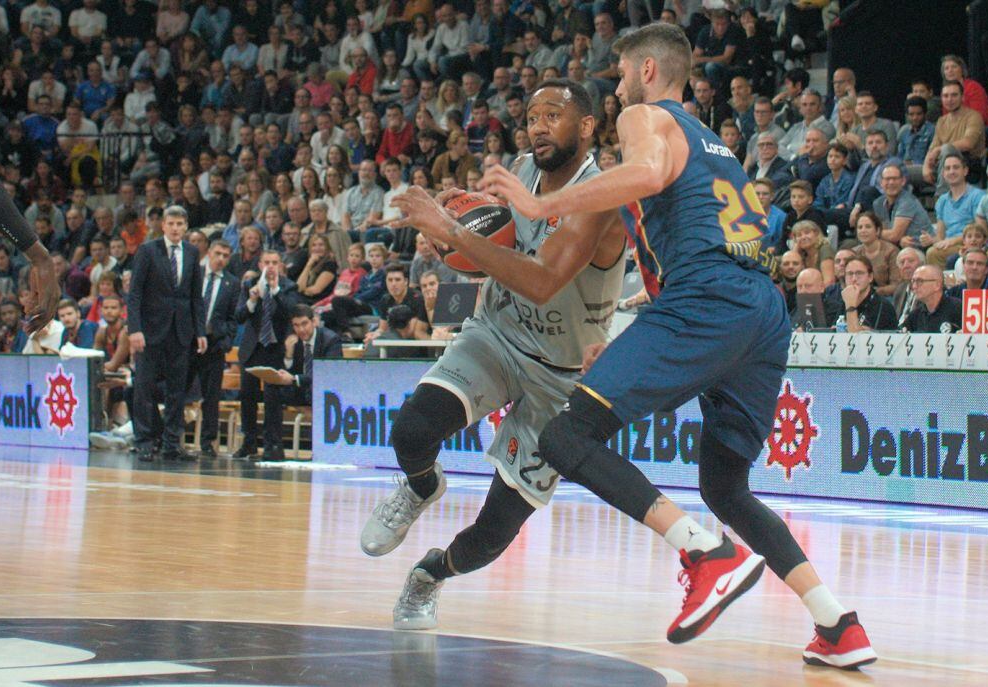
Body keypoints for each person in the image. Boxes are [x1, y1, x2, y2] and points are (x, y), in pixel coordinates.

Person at [480, 26, 875, 667]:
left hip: (707, 300)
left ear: (645, 70)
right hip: (759, 310)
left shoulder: (645, 117)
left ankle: (704, 551)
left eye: (619, 73)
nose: (614, 88)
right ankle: (838, 624)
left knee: (564, 437)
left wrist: (537, 202)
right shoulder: (713, 142)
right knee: (726, 487)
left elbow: (644, 173)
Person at [361, 80, 628, 633]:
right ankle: (419, 486)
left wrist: (451, 228)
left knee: (491, 537)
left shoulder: (603, 196)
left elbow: (542, 280)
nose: (536, 127)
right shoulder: (520, 169)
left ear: (586, 127)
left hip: (561, 375)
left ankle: (429, 575)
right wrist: (454, 246)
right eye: (531, 116)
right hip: (497, 335)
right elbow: (496, 247)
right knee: (412, 430)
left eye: (553, 115)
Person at [126, 206, 206, 462]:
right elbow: (135, 293)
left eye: (180, 224)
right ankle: (145, 441)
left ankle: (172, 442)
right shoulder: (148, 251)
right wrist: (135, 329)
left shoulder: (193, 253)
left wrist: (200, 331)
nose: (175, 228)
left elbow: (195, 296)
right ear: (163, 225)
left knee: (177, 390)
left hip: (181, 331)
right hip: (150, 331)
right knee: (144, 387)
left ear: (186, 227)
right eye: (170, 223)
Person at [233, 249, 298, 460]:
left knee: (273, 398)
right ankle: (249, 442)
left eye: (275, 262)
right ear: (259, 265)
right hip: (253, 348)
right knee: (247, 397)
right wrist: (252, 300)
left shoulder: (288, 286)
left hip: (275, 348)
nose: (271, 266)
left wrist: (276, 290)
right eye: (266, 262)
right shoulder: (248, 285)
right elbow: (239, 316)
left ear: (280, 265)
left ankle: (273, 444)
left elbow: (292, 312)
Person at [263, 304, 342, 460]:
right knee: (271, 387)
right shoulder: (294, 342)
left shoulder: (330, 339)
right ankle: (274, 448)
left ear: (314, 322)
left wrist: (294, 379)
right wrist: (288, 356)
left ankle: (321, 452)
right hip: (301, 391)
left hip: (323, 392)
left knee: (318, 390)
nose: (301, 330)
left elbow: (328, 375)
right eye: (296, 325)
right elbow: (289, 372)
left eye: (304, 324)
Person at [187, 239, 239, 458]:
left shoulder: (232, 283)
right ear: (208, 253)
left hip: (214, 344)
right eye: (217, 254)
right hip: (188, 342)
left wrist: (225, 339)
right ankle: (170, 437)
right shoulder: (193, 274)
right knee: (179, 390)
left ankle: (208, 442)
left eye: (226, 256)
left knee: (212, 396)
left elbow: (233, 318)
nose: (221, 259)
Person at [841, 256, 898, 332]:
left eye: (859, 273)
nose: (854, 279)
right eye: (850, 274)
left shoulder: (882, 306)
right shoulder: (843, 301)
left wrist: (850, 307)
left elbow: (857, 339)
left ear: (870, 277)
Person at [903, 265, 962, 333]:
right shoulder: (915, 315)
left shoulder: (958, 309)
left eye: (920, 281)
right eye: (913, 281)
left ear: (937, 285)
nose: (914, 286)